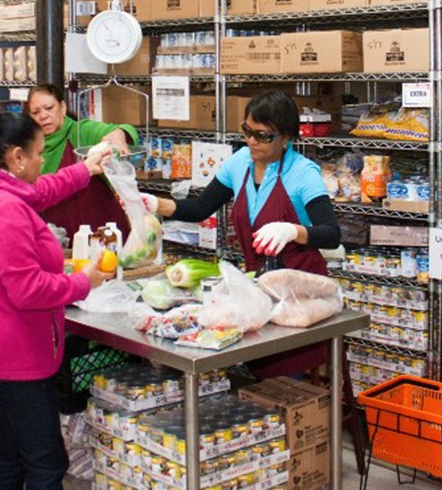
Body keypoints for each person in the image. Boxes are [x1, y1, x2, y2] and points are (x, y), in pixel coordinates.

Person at [0, 110, 114, 489]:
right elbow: (28, 291)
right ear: (17, 157)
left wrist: (86, 169)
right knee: (45, 463)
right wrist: (83, 281)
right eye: (39, 153)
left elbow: (38, 190)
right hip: (16, 355)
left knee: (10, 452)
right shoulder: (4, 211)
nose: (43, 160)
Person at [141, 90, 342, 378]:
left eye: (263, 136)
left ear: (286, 137)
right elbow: (200, 207)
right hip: (258, 292)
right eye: (248, 131)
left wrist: (293, 230)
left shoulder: (303, 173)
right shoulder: (239, 163)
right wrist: (157, 204)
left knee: (287, 379)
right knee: (256, 381)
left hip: (298, 295)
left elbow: (331, 234)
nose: (252, 141)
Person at [27, 83, 138, 238]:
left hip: (101, 237)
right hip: (58, 238)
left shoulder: (80, 132)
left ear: (63, 107)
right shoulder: (31, 147)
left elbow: (122, 130)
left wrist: (118, 135)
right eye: (35, 112)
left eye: (49, 108)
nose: (43, 116)